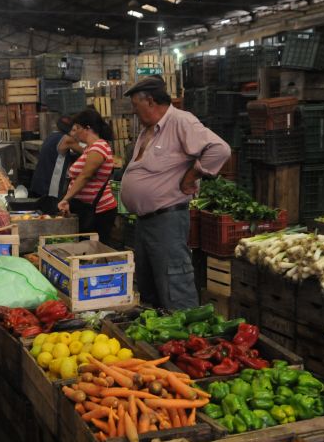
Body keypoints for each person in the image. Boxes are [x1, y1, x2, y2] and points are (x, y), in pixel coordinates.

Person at [120, 77, 230, 310]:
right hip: (144, 222)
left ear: (150, 101)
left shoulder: (181, 121)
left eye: (136, 106)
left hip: (167, 221)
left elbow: (220, 149)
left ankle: (186, 335)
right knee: (149, 284)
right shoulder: (148, 130)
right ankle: (159, 337)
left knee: (174, 283)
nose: (134, 111)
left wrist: (193, 175)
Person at [57, 108, 117, 244]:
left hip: (99, 211)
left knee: (96, 250)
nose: (75, 134)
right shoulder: (90, 148)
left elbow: (85, 176)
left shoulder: (99, 148)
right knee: (86, 249)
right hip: (86, 208)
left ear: (87, 128)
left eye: (77, 128)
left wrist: (66, 199)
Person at [29, 116, 84, 199]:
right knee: (51, 209)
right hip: (50, 186)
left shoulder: (51, 135)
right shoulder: (67, 139)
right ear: (70, 129)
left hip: (38, 181)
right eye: (74, 130)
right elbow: (86, 152)